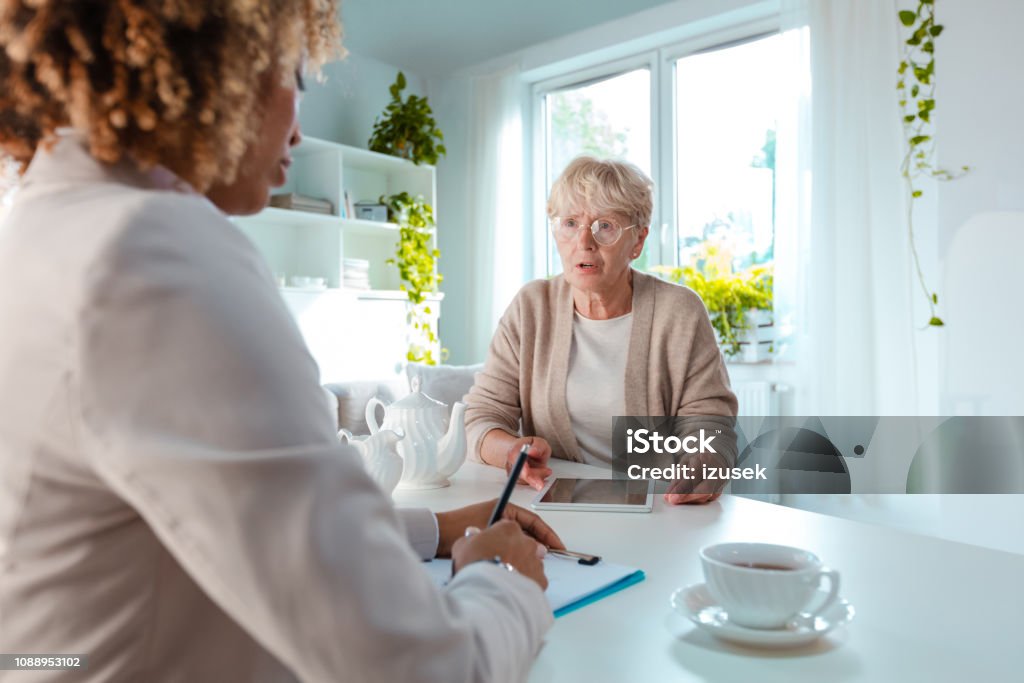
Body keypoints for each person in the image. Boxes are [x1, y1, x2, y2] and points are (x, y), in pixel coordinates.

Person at [0, 2, 564, 681]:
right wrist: (503, 580)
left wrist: (435, 529)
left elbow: (232, 513)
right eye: (296, 74)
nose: (298, 125)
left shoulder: (40, 227)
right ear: (220, 64)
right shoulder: (153, 254)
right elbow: (423, 667)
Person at [465, 156, 739, 505]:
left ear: (637, 241)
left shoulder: (680, 312)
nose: (584, 241)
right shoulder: (531, 307)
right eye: (570, 223)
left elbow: (711, 423)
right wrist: (510, 451)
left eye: (604, 226)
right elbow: (481, 416)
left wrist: (706, 463)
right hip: (555, 505)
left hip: (661, 508)